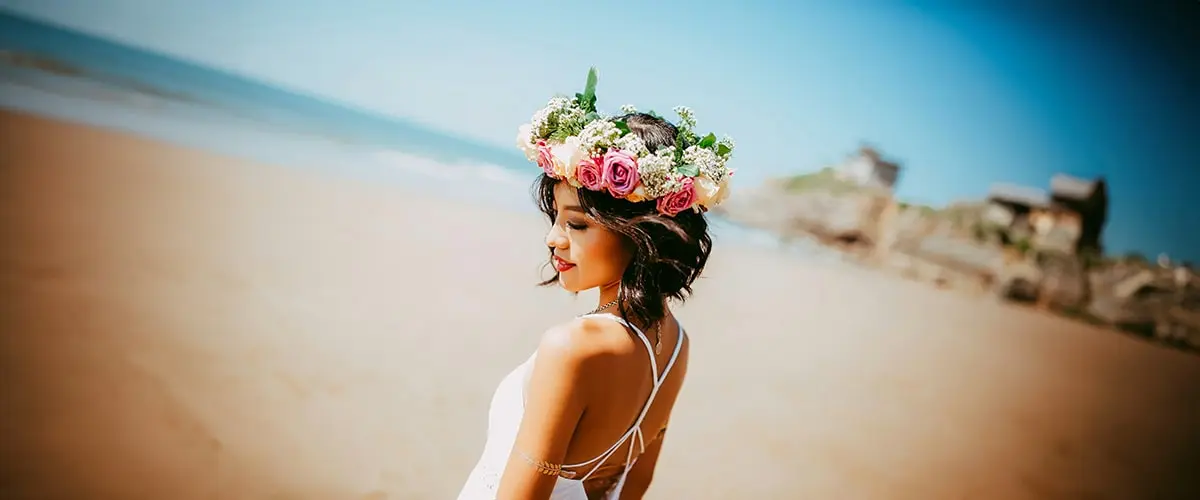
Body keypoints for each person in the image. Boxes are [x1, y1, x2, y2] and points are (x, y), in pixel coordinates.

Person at [456, 69, 736, 500]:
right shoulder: (676, 343)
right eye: (554, 219)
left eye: (576, 224)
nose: (553, 238)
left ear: (638, 230)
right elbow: (635, 485)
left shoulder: (573, 346)